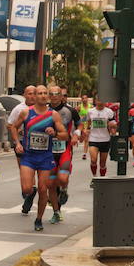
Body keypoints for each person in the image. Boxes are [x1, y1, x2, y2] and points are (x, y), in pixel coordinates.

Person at [10, 85, 68, 232]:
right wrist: (17, 143)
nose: (42, 96)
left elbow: (65, 135)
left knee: (43, 190)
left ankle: (38, 219)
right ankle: (30, 195)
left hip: (45, 157)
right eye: (39, 93)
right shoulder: (25, 112)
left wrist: (54, 133)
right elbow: (12, 127)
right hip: (28, 156)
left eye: (44, 93)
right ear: (34, 96)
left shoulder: (53, 115)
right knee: (27, 188)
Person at [47, 86, 81, 223]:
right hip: (48, 151)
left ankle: (64, 189)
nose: (54, 96)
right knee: (51, 183)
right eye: (52, 94)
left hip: (64, 149)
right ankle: (56, 212)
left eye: (57, 94)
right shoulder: (44, 110)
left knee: (62, 179)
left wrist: (76, 135)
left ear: (62, 96)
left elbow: (80, 124)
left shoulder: (70, 111)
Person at [86, 95, 116, 184]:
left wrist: (112, 128)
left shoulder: (109, 112)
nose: (100, 102)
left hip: (105, 139)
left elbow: (113, 124)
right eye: (98, 100)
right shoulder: (90, 111)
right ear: (95, 101)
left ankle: (102, 179)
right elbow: (88, 122)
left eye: (103, 100)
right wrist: (87, 130)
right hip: (93, 139)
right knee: (93, 160)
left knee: (102, 163)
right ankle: (94, 177)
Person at [8, 86, 36, 173]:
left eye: (34, 94)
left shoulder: (42, 108)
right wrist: (19, 131)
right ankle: (31, 185)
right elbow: (9, 125)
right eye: (30, 94)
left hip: (36, 143)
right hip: (21, 142)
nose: (32, 96)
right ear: (24, 95)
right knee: (24, 169)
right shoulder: (18, 109)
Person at [78, 94, 91, 159]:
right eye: (83, 98)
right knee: (81, 140)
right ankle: (80, 138)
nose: (84, 100)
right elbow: (76, 116)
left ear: (87, 99)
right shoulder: (79, 107)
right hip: (81, 125)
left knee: (86, 140)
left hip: (88, 125)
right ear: (81, 100)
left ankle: (84, 154)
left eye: (85, 98)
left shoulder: (90, 107)